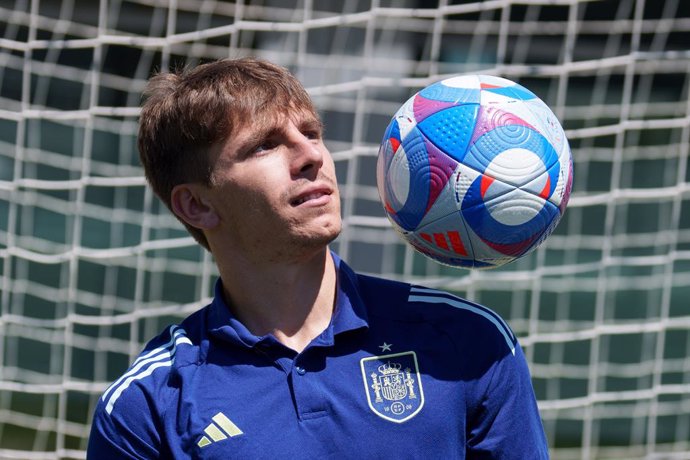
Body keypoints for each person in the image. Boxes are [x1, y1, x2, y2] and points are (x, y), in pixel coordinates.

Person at [87, 57, 549, 459]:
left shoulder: (468, 342)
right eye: (266, 144)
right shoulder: (148, 403)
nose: (311, 155)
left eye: (311, 133)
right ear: (197, 205)